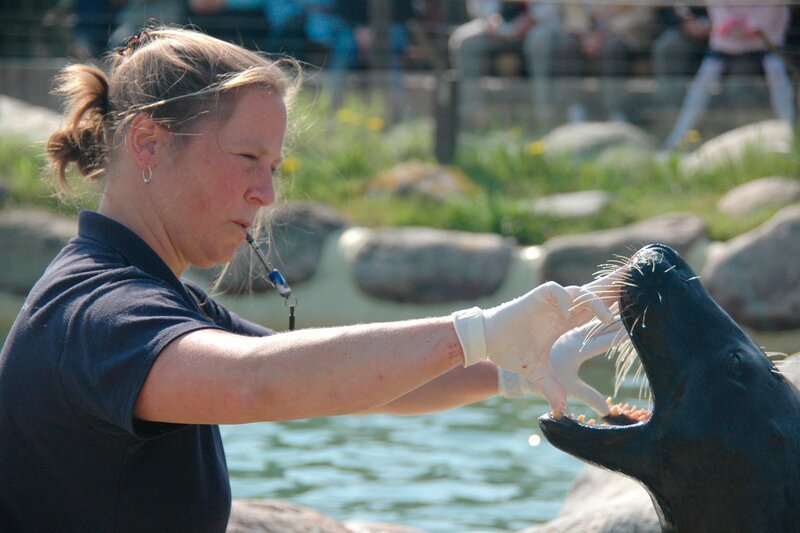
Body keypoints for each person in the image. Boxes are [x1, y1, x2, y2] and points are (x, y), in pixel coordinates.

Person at [0, 26, 616, 531]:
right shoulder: (96, 313)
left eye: (273, 166)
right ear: (148, 143)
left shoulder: (153, 296)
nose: (266, 193)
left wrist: (512, 370)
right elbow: (257, 384)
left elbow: (355, 383)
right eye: (248, 158)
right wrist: (476, 331)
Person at [664, 5, 794, 150]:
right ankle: (677, 137)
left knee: (778, 78)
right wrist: (730, 25)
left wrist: (752, 26)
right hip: (726, 40)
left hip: (765, 39)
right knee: (702, 84)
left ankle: (791, 132)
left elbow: (771, 8)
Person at [448, 0, 560, 123]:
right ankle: (471, 116)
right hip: (494, 26)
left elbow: (551, 8)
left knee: (540, 40)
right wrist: (491, 18)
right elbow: (478, 6)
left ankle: (543, 114)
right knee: (464, 40)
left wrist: (531, 19)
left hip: (538, 25)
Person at [551, 4, 657, 123]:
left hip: (625, 35)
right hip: (586, 36)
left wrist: (606, 32)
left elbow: (643, 14)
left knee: (612, 49)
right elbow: (573, 11)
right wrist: (585, 34)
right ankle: (575, 110)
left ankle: (616, 113)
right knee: (568, 45)